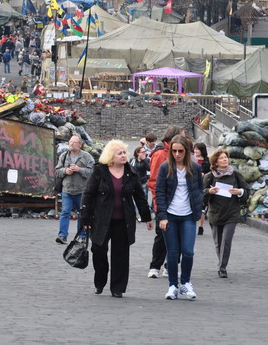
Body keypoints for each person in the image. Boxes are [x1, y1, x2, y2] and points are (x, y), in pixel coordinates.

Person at [80, 140, 153, 297]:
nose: (123, 155)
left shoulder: (131, 172)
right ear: (110, 156)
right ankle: (100, 280)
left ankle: (117, 287)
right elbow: (88, 194)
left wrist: (147, 217)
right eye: (119, 153)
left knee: (121, 254)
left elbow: (140, 197)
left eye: (124, 152)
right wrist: (84, 218)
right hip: (101, 219)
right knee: (98, 250)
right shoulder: (99, 171)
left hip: (123, 220)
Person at [155, 135, 204, 300]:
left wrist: (198, 209)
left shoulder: (195, 168)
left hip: (188, 215)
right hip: (170, 215)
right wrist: (162, 216)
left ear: (186, 151)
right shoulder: (165, 167)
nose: (177, 154)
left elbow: (199, 190)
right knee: (173, 253)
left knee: (188, 251)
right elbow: (159, 192)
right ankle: (172, 286)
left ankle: (186, 283)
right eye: (174, 151)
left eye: (180, 151)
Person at [203, 149, 248, 278]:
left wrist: (239, 192)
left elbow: (246, 190)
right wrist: (209, 191)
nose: (225, 159)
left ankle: (222, 267)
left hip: (232, 212)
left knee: (226, 240)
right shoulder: (209, 176)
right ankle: (221, 261)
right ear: (215, 161)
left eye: (226, 157)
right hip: (215, 212)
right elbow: (202, 194)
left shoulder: (235, 174)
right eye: (221, 158)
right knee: (218, 242)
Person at [146, 125, 180, 279]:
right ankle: (155, 266)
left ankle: (170, 265)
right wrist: (158, 204)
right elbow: (153, 181)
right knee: (162, 235)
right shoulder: (160, 154)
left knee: (178, 236)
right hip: (164, 202)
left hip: (179, 203)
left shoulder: (181, 154)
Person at [55, 135, 95, 245]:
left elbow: (92, 172)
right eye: (70, 142)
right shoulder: (63, 156)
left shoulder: (87, 157)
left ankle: (81, 236)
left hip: (82, 191)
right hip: (66, 190)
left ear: (80, 144)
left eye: (74, 142)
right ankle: (62, 236)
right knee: (65, 212)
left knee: (82, 214)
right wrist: (65, 171)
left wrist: (79, 169)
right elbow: (57, 170)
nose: (72, 144)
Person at [193, 142, 210, 234]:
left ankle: (200, 226)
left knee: (202, 206)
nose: (195, 151)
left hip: (204, 186)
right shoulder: (192, 160)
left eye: (197, 149)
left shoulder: (208, 160)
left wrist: (205, 175)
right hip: (193, 185)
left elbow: (212, 172)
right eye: (194, 149)